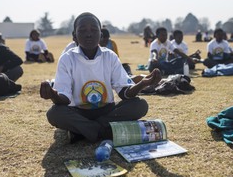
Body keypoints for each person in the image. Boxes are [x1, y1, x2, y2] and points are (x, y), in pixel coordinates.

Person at [40, 12, 162, 144]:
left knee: (139, 105)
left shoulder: (110, 56)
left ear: (101, 35)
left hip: (107, 112)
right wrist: (53, 95)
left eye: (93, 30)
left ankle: (83, 131)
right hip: (79, 112)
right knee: (55, 113)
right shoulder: (67, 59)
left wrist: (143, 84)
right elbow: (64, 99)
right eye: (82, 30)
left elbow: (124, 93)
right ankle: (106, 131)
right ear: (74, 36)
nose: (88, 34)